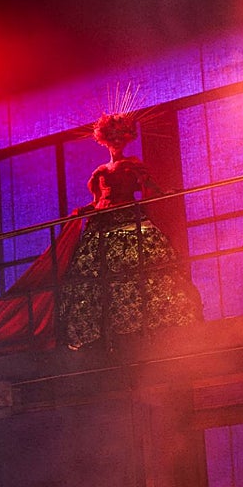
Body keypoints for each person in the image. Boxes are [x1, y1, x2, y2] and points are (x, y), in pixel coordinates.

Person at [56, 110, 202, 350]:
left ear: (125, 139)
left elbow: (150, 188)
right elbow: (96, 200)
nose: (116, 143)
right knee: (100, 272)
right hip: (103, 222)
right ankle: (107, 327)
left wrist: (163, 193)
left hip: (128, 219)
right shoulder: (100, 172)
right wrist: (83, 210)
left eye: (120, 138)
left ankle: (145, 323)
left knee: (142, 266)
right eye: (112, 138)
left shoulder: (133, 165)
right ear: (104, 140)